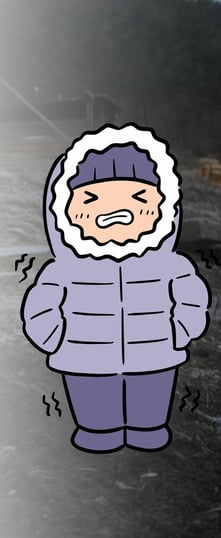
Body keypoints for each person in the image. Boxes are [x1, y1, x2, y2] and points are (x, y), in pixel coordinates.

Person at [21, 124, 210, 453]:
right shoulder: (65, 268)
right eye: (92, 198)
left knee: (148, 417)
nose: (115, 209)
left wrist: (179, 332)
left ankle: (148, 429)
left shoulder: (170, 265)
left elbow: (192, 301)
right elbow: (40, 309)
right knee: (96, 418)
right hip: (85, 361)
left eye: (139, 197)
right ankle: (98, 433)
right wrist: (56, 340)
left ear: (163, 207)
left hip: (154, 357)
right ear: (64, 210)